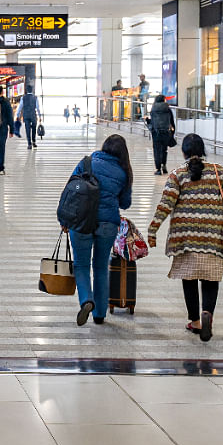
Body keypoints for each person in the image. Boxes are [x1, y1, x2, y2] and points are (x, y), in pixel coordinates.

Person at [146, 134, 223, 342]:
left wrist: (153, 230)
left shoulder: (178, 174)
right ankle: (208, 313)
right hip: (214, 235)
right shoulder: (219, 172)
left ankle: (195, 321)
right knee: (210, 277)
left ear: (183, 152)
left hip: (184, 236)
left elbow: (165, 205)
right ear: (203, 150)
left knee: (189, 277)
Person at [66, 134, 133, 327]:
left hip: (81, 221)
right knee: (101, 267)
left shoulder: (87, 163)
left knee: (81, 265)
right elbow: (125, 203)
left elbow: (71, 190)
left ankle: (87, 300)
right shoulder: (123, 171)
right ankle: (100, 314)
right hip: (108, 224)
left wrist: (65, 219)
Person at [146, 94, 176, 175]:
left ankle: (158, 169)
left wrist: (147, 120)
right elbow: (172, 122)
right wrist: (172, 133)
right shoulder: (167, 109)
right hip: (166, 132)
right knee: (164, 150)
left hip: (156, 133)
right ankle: (164, 166)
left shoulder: (153, 109)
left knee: (157, 150)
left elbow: (152, 122)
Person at [17, 86, 40, 150]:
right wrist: (40, 116)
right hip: (33, 115)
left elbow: (20, 107)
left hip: (26, 115)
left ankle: (29, 144)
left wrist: (17, 115)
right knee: (34, 128)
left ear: (26, 90)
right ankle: (34, 142)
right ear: (32, 90)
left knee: (27, 129)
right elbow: (37, 108)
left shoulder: (23, 98)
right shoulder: (35, 98)